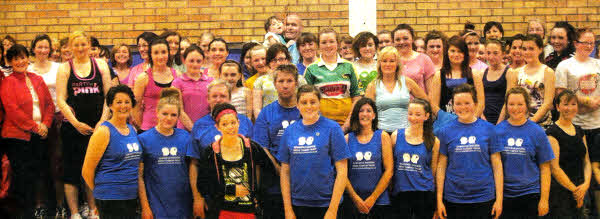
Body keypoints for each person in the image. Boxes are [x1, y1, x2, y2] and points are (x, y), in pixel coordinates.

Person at [56, 31, 112, 219]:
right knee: (71, 171)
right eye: (76, 45)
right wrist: (76, 123)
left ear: (89, 45)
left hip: (97, 128)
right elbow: (61, 100)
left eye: (83, 44)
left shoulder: (101, 65)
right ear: (71, 47)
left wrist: (102, 122)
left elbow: (108, 97)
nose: (80, 48)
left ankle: (93, 209)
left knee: (93, 169)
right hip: (73, 128)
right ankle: (74, 213)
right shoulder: (65, 68)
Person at [277, 84, 351, 219]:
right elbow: (285, 172)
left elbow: (342, 170)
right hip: (298, 204)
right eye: (304, 102)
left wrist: (332, 210)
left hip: (327, 204)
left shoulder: (332, 128)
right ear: (297, 105)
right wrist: (288, 209)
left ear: (319, 103)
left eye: (313, 102)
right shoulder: (290, 131)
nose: (309, 106)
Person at [1, 44, 55, 218]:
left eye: (23, 57)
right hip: (18, 138)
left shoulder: (37, 79)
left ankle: (44, 210)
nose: (20, 61)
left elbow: (49, 105)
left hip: (40, 134)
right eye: (15, 59)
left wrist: (45, 125)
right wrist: (35, 127)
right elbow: (13, 111)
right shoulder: (7, 82)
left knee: (42, 174)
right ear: (10, 62)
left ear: (28, 58)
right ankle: (25, 214)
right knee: (23, 179)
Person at [436, 84, 503, 219]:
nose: (463, 107)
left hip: (484, 197)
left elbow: (497, 165)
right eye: (458, 104)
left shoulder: (489, 129)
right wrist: (439, 200)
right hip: (454, 197)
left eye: (467, 103)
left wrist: (499, 199)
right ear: (453, 106)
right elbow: (441, 167)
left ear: (476, 104)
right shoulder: (445, 131)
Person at [191, 103, 268, 219]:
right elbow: (203, 186)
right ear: (217, 127)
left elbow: (268, 172)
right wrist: (230, 190)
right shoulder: (210, 152)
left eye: (233, 122)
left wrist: (258, 196)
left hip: (249, 211)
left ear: (238, 122)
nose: (230, 127)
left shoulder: (252, 147)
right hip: (222, 210)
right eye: (225, 124)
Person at [555, 29, 600, 212]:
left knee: (595, 169)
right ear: (575, 43)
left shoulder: (598, 64)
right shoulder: (565, 66)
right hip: (575, 125)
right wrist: (585, 101)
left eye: (592, 43)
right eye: (584, 43)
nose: (588, 46)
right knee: (578, 170)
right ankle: (580, 207)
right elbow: (560, 93)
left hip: (596, 124)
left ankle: (596, 209)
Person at [81, 85, 141, 218]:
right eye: (118, 102)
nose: (123, 106)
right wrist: (100, 194)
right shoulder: (103, 131)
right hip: (110, 198)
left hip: (130, 196)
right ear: (110, 105)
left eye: (127, 102)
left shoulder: (132, 130)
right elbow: (86, 170)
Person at [253, 64, 302, 219]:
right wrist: (280, 170)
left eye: (289, 81)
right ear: (275, 84)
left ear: (296, 83)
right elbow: (262, 147)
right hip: (274, 183)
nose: (285, 85)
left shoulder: (306, 109)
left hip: (303, 182)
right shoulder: (266, 113)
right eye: (281, 81)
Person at [496, 87, 554, 218]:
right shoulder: (498, 131)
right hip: (504, 195)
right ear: (506, 106)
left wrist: (544, 200)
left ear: (527, 106)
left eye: (520, 104)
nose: (515, 108)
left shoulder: (537, 132)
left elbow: (545, 168)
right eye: (511, 104)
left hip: (530, 194)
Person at [138, 88, 193, 219]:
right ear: (157, 113)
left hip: (182, 203)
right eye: (165, 113)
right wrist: (145, 207)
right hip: (156, 204)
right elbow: (139, 176)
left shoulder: (185, 137)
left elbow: (192, 169)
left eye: (173, 115)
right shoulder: (143, 139)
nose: (169, 118)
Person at [27, 34, 67, 217]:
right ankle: (40, 205)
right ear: (33, 49)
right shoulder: (27, 69)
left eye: (46, 47)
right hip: (35, 122)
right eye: (39, 47)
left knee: (57, 163)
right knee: (37, 163)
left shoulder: (59, 68)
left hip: (57, 119)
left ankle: (60, 205)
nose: (43, 50)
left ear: (50, 50)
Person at [341, 97, 393, 218]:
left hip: (379, 201)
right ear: (356, 115)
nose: (365, 114)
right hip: (352, 201)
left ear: (374, 115)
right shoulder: (347, 139)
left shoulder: (383, 136)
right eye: (361, 111)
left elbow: (389, 170)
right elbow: (342, 173)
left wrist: (373, 198)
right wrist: (355, 199)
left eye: (369, 111)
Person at [390, 98, 439, 218]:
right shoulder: (396, 135)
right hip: (401, 192)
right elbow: (391, 166)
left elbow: (433, 171)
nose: (413, 118)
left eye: (418, 114)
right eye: (410, 114)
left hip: (424, 193)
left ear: (426, 116)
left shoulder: (434, 141)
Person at [546, 90, 592, 218]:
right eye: (566, 104)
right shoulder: (552, 132)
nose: (570, 108)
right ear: (558, 107)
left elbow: (586, 161)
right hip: (561, 191)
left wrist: (586, 184)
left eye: (573, 104)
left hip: (582, 188)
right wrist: (575, 191)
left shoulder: (579, 131)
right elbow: (555, 168)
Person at [304, 27, 360, 127]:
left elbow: (356, 97)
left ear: (338, 44)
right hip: (320, 125)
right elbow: (306, 100)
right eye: (324, 42)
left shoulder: (349, 66)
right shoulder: (311, 69)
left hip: (348, 125)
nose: (328, 45)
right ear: (318, 45)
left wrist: (348, 124)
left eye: (331, 41)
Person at [365, 46, 427, 132]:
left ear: (397, 63)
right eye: (384, 61)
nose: (388, 64)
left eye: (392, 61)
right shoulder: (372, 86)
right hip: (381, 133)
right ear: (379, 63)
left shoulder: (407, 82)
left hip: (406, 133)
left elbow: (426, 102)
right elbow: (367, 113)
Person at [506, 34, 555, 128]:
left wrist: (530, 124)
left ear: (540, 49)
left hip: (541, 124)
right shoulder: (516, 73)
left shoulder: (548, 72)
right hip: (519, 121)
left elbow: (548, 103)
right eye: (524, 49)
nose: (527, 52)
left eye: (531, 49)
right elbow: (508, 101)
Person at [431, 35, 485, 117]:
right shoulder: (438, 75)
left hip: (471, 122)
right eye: (453, 51)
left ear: (465, 54)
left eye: (460, 51)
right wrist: (446, 119)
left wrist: (472, 120)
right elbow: (434, 105)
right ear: (447, 53)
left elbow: (481, 102)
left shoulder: (475, 74)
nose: (456, 54)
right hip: (446, 123)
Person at [191, 80, 253, 149]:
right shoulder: (199, 125)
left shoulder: (245, 121)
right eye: (214, 96)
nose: (218, 100)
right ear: (208, 99)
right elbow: (194, 158)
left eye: (223, 96)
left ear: (230, 98)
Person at [133, 38, 178, 132]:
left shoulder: (177, 75)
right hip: (148, 129)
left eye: (163, 52)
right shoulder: (143, 78)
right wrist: (142, 127)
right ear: (151, 55)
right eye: (156, 53)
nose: (160, 56)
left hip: (172, 129)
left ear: (168, 53)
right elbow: (136, 107)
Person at [253, 44, 306, 119]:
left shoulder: (299, 79)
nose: (278, 63)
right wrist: (262, 123)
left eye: (281, 59)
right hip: (269, 119)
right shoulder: (260, 81)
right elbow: (257, 108)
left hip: (295, 119)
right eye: (274, 60)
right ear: (269, 63)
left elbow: (305, 101)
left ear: (287, 60)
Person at [172, 45, 214, 131]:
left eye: (198, 61)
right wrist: (193, 129)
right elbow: (179, 110)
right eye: (191, 61)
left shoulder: (211, 82)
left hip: (206, 130)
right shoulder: (177, 83)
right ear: (184, 60)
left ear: (203, 61)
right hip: (184, 130)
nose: (195, 64)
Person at [392, 24, 436, 94]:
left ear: (412, 39)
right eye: (398, 39)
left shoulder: (424, 59)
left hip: (419, 103)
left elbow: (432, 91)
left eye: (405, 38)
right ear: (393, 42)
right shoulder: (389, 60)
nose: (401, 42)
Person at [483, 39, 510, 125]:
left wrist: (499, 123)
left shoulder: (510, 72)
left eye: (495, 53)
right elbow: (479, 100)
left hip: (503, 119)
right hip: (485, 120)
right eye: (488, 53)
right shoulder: (482, 73)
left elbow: (508, 100)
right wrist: (484, 122)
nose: (491, 57)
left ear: (503, 54)